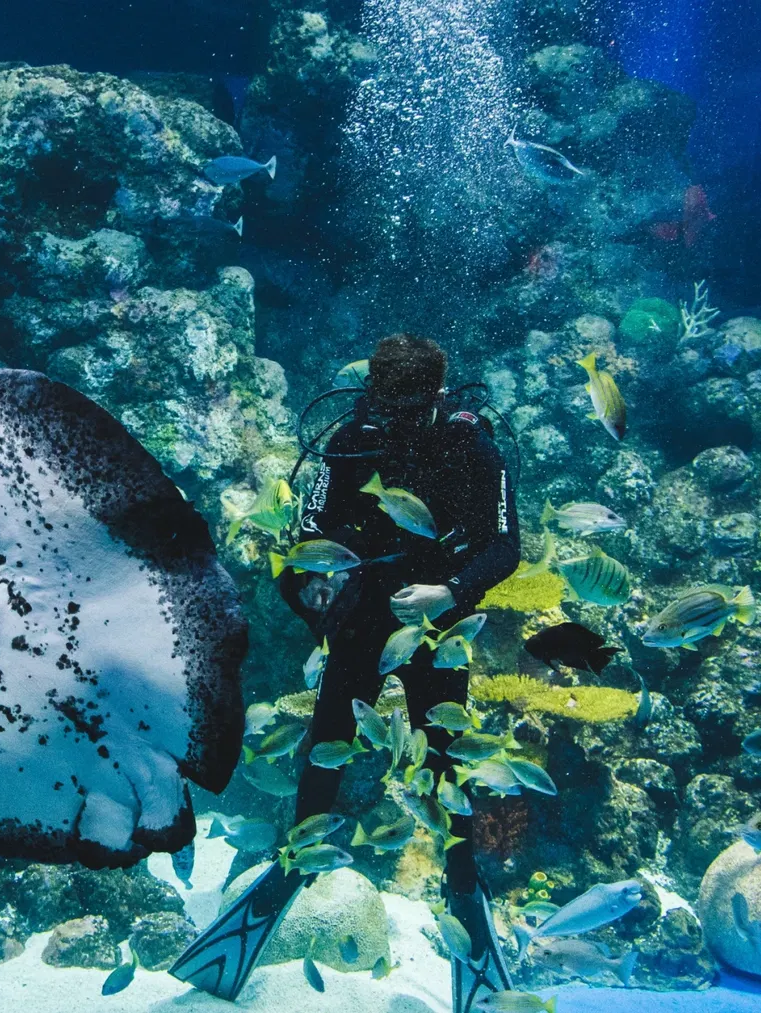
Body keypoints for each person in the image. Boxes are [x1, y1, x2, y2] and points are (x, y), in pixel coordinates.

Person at [170, 334, 520, 1009]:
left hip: (437, 623)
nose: (398, 425)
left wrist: (450, 592)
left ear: (440, 396)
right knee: (325, 745)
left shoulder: (473, 444)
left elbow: (506, 544)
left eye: (413, 411)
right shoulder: (349, 437)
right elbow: (305, 540)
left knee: (444, 761)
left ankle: (462, 884)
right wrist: (317, 602)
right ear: (372, 395)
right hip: (360, 623)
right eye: (388, 409)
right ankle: (295, 862)